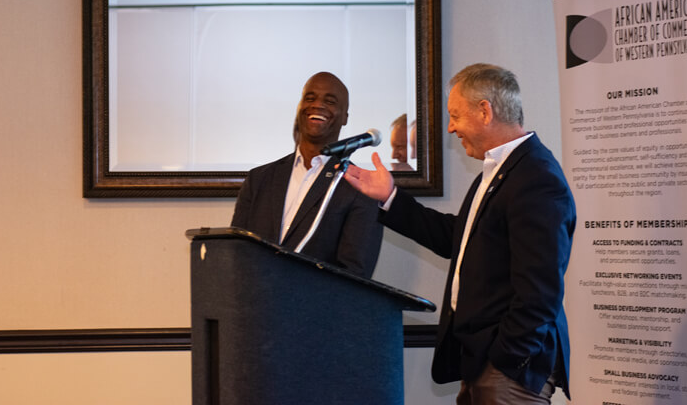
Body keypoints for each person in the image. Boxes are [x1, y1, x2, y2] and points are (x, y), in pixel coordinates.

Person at [344, 63, 575, 404]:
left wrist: (507, 359)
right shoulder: (501, 170)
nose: (451, 127)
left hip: (507, 370)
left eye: (455, 116)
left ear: (485, 111)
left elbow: (540, 292)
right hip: (484, 363)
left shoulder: (536, 178)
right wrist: (390, 197)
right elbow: (458, 238)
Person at [231, 71, 383, 278]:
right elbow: (235, 253)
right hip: (255, 297)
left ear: (345, 117)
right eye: (310, 98)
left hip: (317, 299)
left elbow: (355, 275)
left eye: (330, 101)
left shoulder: (360, 190)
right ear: (299, 108)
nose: (317, 105)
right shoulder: (258, 180)